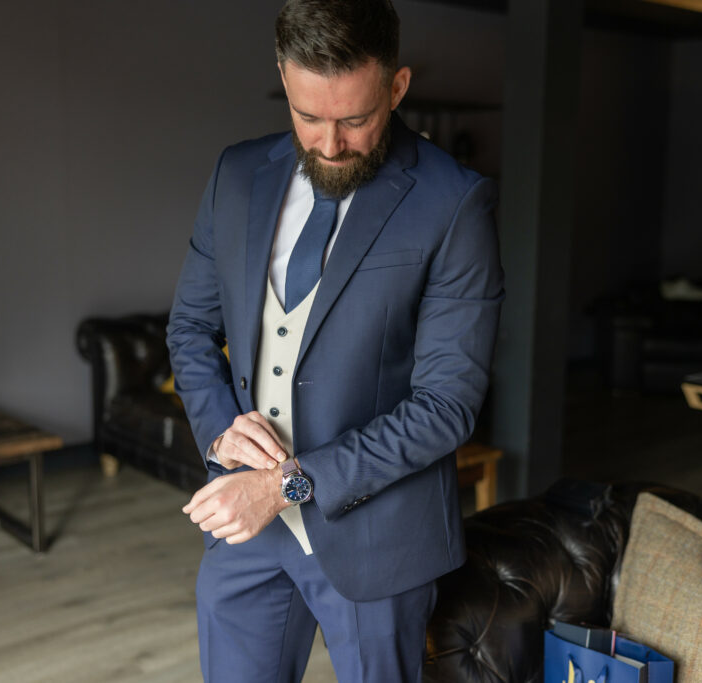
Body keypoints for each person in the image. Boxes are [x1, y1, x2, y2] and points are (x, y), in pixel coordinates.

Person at [166, 1, 503, 680]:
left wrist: (286, 484)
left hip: (381, 542)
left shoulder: (453, 202)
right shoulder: (235, 177)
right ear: (284, 79)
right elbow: (191, 329)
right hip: (246, 535)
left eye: (355, 119)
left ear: (397, 87)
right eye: (309, 116)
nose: (329, 144)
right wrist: (217, 434)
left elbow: (446, 405)